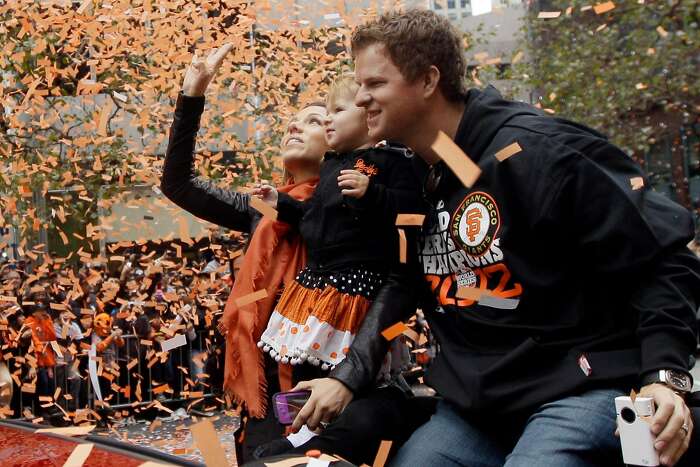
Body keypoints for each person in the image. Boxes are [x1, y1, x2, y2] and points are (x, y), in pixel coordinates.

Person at [298, 9, 700, 467]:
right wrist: (348, 377)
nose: (361, 98)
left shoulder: (538, 151)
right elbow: (407, 279)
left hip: (577, 388)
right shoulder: (432, 165)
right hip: (476, 410)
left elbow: (664, 257)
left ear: (428, 80)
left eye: (375, 84)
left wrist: (665, 378)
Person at [160, 43, 329, 459]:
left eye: (312, 121)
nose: (293, 127)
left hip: (332, 396)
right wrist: (192, 93)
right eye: (291, 122)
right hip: (265, 403)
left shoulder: (357, 208)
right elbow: (178, 184)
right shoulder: (264, 208)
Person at [249, 74, 426, 463]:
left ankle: (332, 436)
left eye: (336, 111)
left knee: (343, 373)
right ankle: (303, 432)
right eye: (323, 114)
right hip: (314, 288)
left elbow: (411, 216)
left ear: (368, 116)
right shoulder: (330, 166)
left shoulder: (394, 161)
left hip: (355, 290)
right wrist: (278, 202)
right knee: (303, 365)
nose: (329, 120)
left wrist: (373, 193)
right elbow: (311, 215)